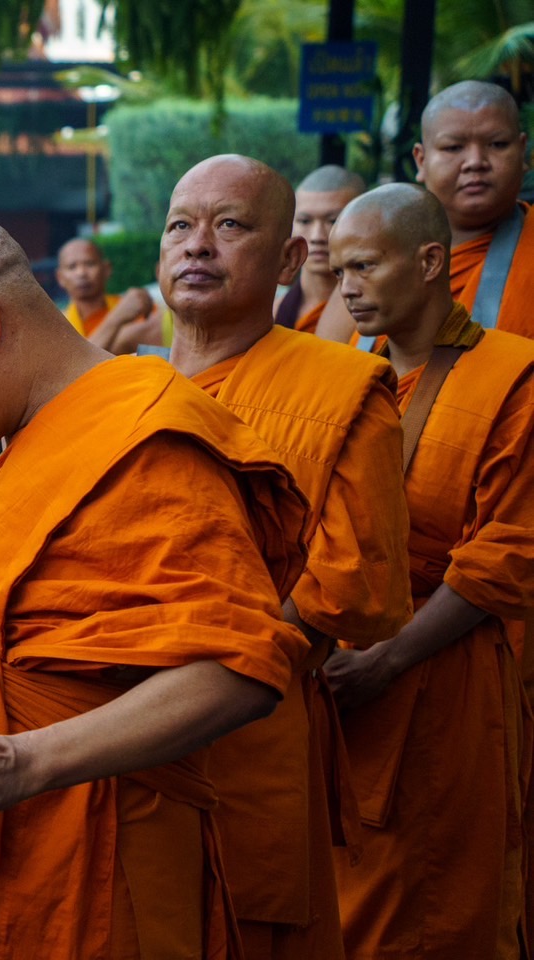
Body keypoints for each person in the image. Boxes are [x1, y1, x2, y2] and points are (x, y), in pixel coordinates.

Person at [0, 209, 311, 959]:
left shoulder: (144, 437)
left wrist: (28, 761)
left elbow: (238, 669)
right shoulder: (27, 430)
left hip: (76, 851)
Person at [161, 154, 411, 960]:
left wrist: (201, 682)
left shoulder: (344, 389)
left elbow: (353, 591)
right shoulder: (115, 390)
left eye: (229, 225)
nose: (198, 245)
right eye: (180, 226)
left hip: (251, 727)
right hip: (96, 733)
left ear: (291, 261)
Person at [323, 183, 534, 958]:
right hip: (342, 688)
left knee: (438, 907)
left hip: (444, 675)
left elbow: (507, 555)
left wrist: (393, 656)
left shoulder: (514, 377)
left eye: (366, 267)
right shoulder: (343, 379)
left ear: (430, 261)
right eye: (339, 270)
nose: (347, 288)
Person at [416, 80, 533, 338]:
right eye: (454, 147)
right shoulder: (381, 252)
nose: (475, 162)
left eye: (497, 144)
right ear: (421, 160)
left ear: (523, 151)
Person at [279, 165, 366, 335]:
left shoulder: (373, 313)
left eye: (333, 221)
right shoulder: (272, 310)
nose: (317, 236)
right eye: (304, 221)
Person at [53, 237, 163, 353]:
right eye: (72, 267)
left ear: (106, 269)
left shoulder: (136, 308)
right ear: (60, 277)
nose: (81, 273)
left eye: (90, 264)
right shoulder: (58, 326)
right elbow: (74, 367)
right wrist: (117, 317)